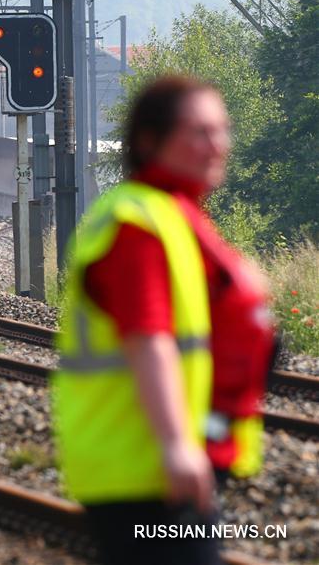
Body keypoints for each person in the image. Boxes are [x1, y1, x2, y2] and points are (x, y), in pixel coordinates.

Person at [52, 75, 275, 565]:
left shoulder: (175, 214)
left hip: (160, 460)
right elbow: (148, 338)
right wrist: (176, 445)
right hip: (143, 469)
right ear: (150, 140)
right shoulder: (138, 224)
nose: (216, 145)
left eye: (221, 130)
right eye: (198, 131)